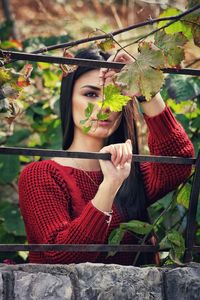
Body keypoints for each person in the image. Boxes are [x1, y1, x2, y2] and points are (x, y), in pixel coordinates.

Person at [18, 48, 194, 266]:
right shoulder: (40, 176)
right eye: (91, 94)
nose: (105, 106)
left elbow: (179, 160)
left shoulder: (131, 171)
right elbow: (61, 257)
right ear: (69, 98)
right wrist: (109, 186)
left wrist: (143, 88)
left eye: (115, 96)